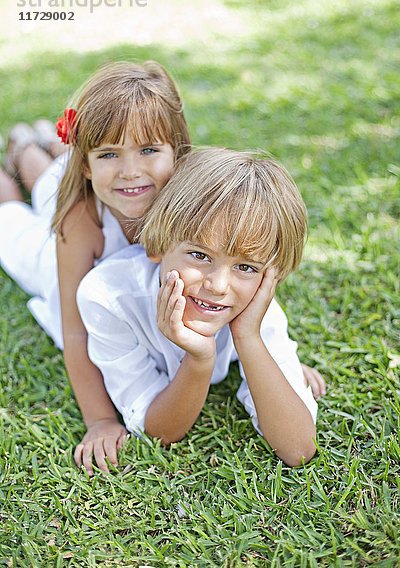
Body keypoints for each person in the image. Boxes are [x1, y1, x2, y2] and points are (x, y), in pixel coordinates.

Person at [0, 61, 191, 474]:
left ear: (178, 149)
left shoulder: (187, 198)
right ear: (87, 163)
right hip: (59, 253)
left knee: (53, 180)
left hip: (87, 185)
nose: (131, 170)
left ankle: (32, 146)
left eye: (149, 149)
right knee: (15, 222)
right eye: (109, 153)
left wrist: (267, 355)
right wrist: (100, 419)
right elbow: (74, 329)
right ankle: (19, 152)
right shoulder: (80, 217)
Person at [77, 148, 319, 467]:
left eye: (245, 267)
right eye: (200, 256)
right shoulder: (107, 297)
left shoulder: (255, 310)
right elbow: (158, 430)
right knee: (16, 223)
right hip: (55, 271)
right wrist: (200, 360)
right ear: (159, 245)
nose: (218, 286)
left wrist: (249, 339)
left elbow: (298, 448)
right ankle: (26, 151)